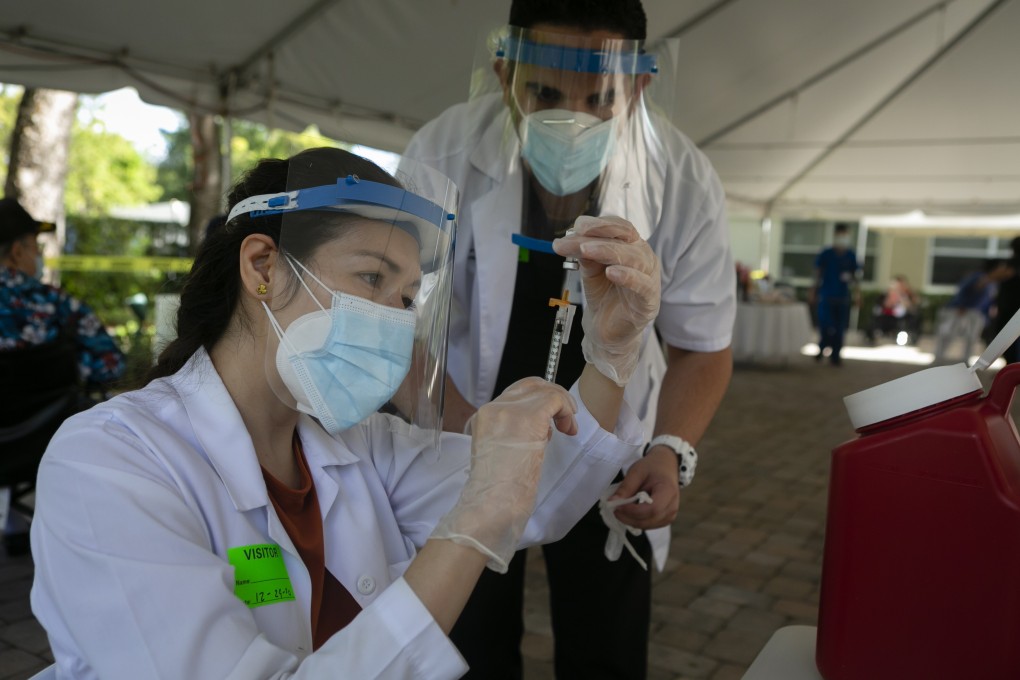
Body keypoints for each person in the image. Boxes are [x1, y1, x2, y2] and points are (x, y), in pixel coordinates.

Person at [29, 147, 663, 678]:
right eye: (370, 278)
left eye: (408, 297)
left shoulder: (362, 443)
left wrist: (610, 355)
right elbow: (489, 502)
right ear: (263, 266)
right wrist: (472, 518)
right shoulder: (110, 461)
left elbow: (535, 493)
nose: (391, 317)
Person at [404, 2, 735, 677]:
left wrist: (671, 451)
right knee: (469, 643)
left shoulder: (682, 175)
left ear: (639, 86)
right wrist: (467, 427)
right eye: (544, 92)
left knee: (605, 645)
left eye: (600, 97)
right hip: (466, 430)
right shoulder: (443, 151)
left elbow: (703, 343)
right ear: (504, 73)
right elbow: (397, 317)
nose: (571, 119)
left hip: (613, 451)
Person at [0, 197, 126, 386]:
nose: (39, 255)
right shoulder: (57, 303)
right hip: (53, 414)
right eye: (37, 247)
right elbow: (112, 365)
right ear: (17, 251)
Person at [933, 259, 1013, 363]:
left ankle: (965, 361)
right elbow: (963, 291)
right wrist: (961, 305)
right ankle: (938, 359)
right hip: (960, 310)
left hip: (976, 312)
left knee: (971, 338)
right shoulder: (978, 277)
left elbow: (988, 300)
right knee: (948, 335)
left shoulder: (993, 283)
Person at [810, 223, 860, 366]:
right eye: (841, 235)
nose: (843, 238)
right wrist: (813, 291)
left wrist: (857, 294)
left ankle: (835, 355)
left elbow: (855, 277)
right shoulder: (826, 253)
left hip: (842, 296)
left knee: (839, 328)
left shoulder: (850, 255)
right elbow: (817, 273)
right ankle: (822, 348)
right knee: (826, 325)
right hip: (827, 295)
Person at [866, 274, 921, 345]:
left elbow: (912, 305)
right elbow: (884, 305)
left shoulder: (906, 294)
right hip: (887, 316)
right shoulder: (887, 294)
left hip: (901, 317)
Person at [994, 236, 1020, 364]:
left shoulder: (1013, 262)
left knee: (1005, 339)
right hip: (1011, 307)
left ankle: (1011, 366)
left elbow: (1000, 275)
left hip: (1009, 308)